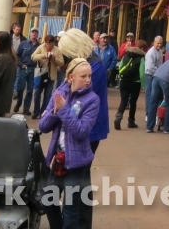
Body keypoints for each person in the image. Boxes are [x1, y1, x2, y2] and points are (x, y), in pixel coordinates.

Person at [38, 57, 100, 229]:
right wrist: (55, 111)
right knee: (48, 201)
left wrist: (63, 110)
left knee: (72, 208)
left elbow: (81, 131)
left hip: (77, 162)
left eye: (90, 76)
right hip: (58, 158)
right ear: (71, 77)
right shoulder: (59, 93)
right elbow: (43, 126)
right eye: (83, 76)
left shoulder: (92, 100)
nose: (88, 80)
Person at [58, 28, 109, 153]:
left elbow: (75, 92)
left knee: (80, 169)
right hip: (77, 121)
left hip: (88, 124)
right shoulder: (86, 63)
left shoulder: (93, 66)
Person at [114, 39, 145, 130]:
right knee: (133, 102)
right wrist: (143, 85)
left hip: (124, 81)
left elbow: (120, 66)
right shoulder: (141, 58)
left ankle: (118, 117)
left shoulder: (126, 55)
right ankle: (131, 121)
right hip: (135, 82)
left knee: (124, 101)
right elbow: (142, 73)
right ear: (142, 48)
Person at [32, 34, 65, 119]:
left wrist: (54, 58)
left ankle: (44, 111)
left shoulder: (57, 50)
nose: (48, 45)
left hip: (51, 75)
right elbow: (33, 57)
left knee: (47, 94)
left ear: (53, 43)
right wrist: (44, 55)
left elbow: (61, 63)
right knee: (37, 93)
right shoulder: (41, 47)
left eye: (50, 44)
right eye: (47, 43)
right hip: (41, 73)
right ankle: (36, 111)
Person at [14, 28, 39, 114]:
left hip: (34, 69)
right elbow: (17, 56)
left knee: (30, 90)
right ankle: (18, 103)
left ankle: (26, 108)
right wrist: (20, 65)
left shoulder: (39, 46)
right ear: (30, 33)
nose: (34, 34)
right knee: (20, 88)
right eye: (33, 32)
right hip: (24, 68)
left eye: (36, 32)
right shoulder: (23, 44)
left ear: (37, 34)